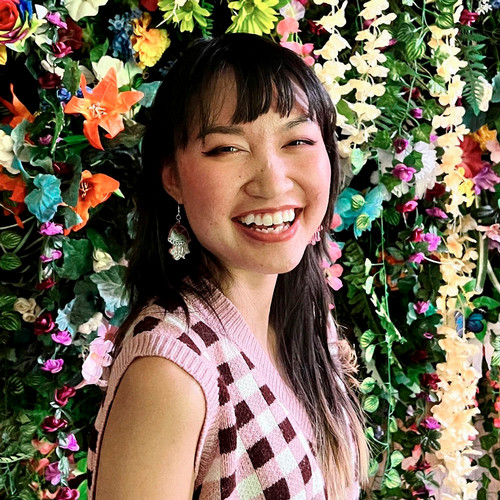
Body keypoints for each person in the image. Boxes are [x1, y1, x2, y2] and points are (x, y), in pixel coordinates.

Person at [87, 33, 369, 499]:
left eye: (297, 139)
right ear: (172, 176)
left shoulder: (304, 315)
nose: (273, 182)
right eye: (227, 148)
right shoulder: (171, 370)